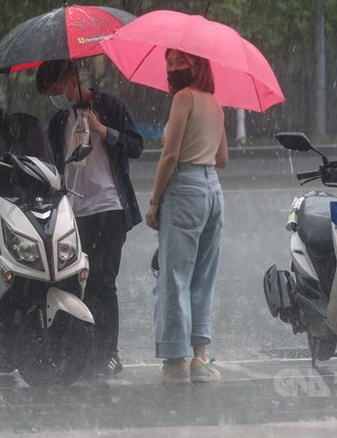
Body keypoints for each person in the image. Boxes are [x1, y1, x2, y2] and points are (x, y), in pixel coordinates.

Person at [35, 59, 144, 377]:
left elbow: (136, 146)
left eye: (57, 89)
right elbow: (53, 166)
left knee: (102, 284)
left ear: (71, 78)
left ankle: (108, 352)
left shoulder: (111, 105)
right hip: (72, 212)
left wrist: (102, 130)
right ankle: (79, 350)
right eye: (50, 94)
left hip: (109, 208)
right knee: (70, 284)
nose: (56, 97)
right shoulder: (58, 122)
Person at [146, 48, 228, 384]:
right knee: (202, 278)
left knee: (174, 276)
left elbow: (170, 156)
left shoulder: (183, 98)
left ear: (198, 65)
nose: (173, 67)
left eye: (181, 61)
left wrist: (154, 202)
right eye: (169, 62)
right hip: (212, 189)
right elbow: (222, 158)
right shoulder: (215, 102)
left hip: (185, 187)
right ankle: (200, 358)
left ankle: (175, 360)